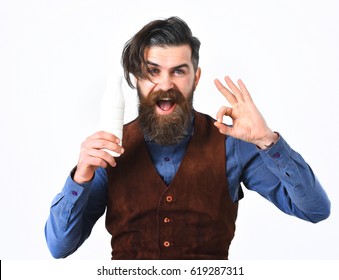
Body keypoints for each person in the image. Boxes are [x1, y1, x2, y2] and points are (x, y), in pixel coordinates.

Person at [45, 16, 330, 260]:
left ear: (195, 78)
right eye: (152, 71)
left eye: (178, 71)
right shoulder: (111, 150)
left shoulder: (231, 144)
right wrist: (80, 177)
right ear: (137, 79)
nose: (166, 84)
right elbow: (59, 247)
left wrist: (268, 141)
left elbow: (315, 210)